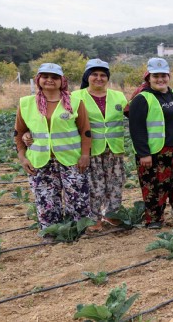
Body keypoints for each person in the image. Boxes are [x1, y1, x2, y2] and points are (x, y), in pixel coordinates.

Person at [14, 63, 92, 235]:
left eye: (54, 77)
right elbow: (19, 133)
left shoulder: (75, 102)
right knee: (46, 200)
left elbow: (85, 131)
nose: (50, 80)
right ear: (39, 79)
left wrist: (85, 155)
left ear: (61, 80)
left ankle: (76, 232)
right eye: (45, 76)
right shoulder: (26, 103)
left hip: (71, 159)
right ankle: (51, 233)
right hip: (40, 161)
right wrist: (22, 157)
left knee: (77, 198)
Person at [128, 58, 173, 229]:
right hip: (157, 152)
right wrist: (143, 153)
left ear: (169, 76)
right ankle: (155, 219)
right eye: (155, 76)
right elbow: (137, 129)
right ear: (148, 77)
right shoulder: (142, 99)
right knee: (155, 187)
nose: (160, 79)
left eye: (163, 75)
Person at [72, 59, 128, 230]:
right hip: (90, 150)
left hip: (114, 149)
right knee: (94, 185)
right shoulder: (75, 97)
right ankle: (94, 220)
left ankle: (112, 217)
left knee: (115, 184)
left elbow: (135, 116)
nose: (99, 78)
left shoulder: (118, 96)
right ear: (87, 77)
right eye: (94, 74)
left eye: (103, 75)